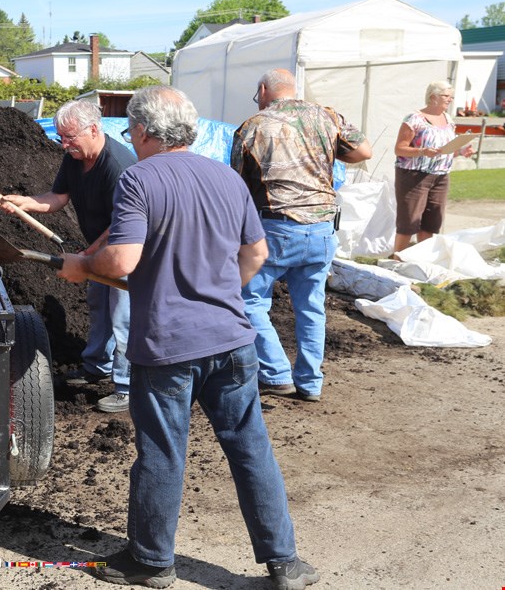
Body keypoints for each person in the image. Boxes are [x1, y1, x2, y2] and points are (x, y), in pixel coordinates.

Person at [58, 85, 318, 590]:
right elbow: (256, 254)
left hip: (167, 347)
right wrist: (218, 293)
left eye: (129, 129)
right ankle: (285, 562)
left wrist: (82, 266)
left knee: (161, 452)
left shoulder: (138, 179)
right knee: (251, 449)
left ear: (142, 131)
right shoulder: (226, 177)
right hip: (232, 340)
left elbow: (122, 259)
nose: (129, 137)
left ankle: (152, 562)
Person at [231, 69, 371, 402]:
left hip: (276, 227)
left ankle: (277, 373)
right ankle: (310, 383)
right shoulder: (328, 116)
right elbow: (363, 151)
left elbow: (237, 185)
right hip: (322, 228)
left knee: (249, 301)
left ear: (263, 90)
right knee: (311, 308)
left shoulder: (252, 127)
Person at [1, 100, 135, 414]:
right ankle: (96, 366)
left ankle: (127, 386)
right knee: (99, 305)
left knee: (124, 316)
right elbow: (58, 197)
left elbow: (121, 223)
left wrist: (87, 256)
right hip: (99, 249)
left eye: (70, 137)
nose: (64, 144)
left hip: (124, 250)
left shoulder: (117, 166)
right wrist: (24, 203)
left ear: (93, 129)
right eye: (61, 137)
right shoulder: (74, 158)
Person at [392, 81, 475, 255]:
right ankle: (397, 259)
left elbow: (444, 150)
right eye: (446, 96)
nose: (450, 99)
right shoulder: (414, 119)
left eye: (451, 96)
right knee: (409, 222)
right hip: (413, 176)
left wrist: (461, 151)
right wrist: (422, 151)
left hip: (441, 177)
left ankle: (424, 259)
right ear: (433, 97)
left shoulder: (448, 119)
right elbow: (399, 148)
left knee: (432, 223)